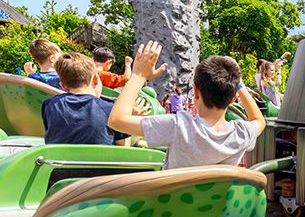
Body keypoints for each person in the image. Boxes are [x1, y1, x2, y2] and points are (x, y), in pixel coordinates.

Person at [108, 40, 266, 170]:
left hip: (171, 207)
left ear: (196, 92)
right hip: (215, 208)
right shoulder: (241, 133)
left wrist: (138, 75)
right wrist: (240, 85)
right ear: (233, 99)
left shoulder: (178, 126)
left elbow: (116, 120)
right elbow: (259, 121)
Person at [41, 52, 131, 146]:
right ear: (96, 79)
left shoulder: (49, 105)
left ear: (63, 86)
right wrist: (126, 117)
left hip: (58, 160)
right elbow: (124, 149)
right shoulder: (111, 110)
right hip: (97, 160)